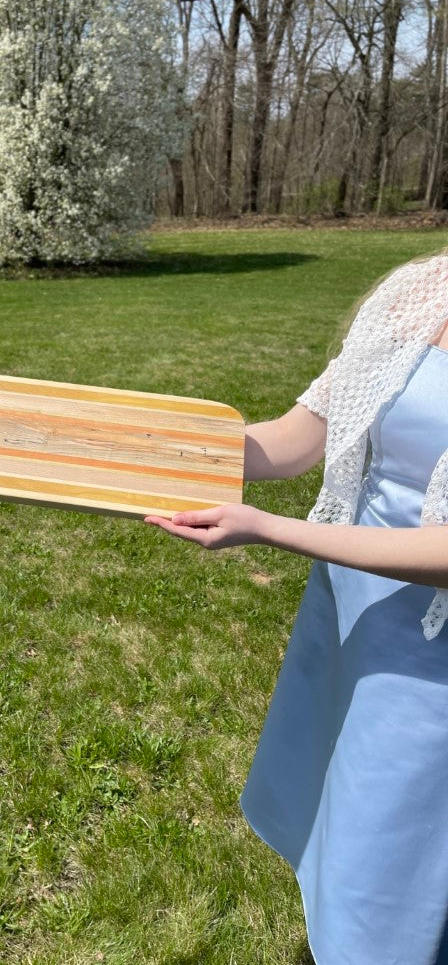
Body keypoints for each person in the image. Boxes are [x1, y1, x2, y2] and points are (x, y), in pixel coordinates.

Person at [144, 253, 448, 965]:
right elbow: (298, 436)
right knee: (344, 817)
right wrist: (154, 446)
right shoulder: (419, 285)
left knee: (401, 851)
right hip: (349, 608)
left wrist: (271, 528)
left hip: (431, 646)